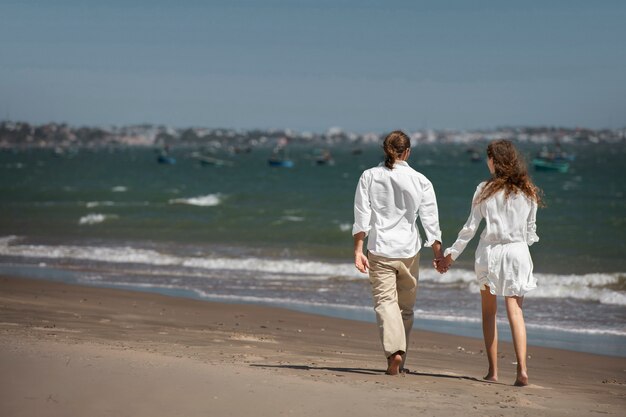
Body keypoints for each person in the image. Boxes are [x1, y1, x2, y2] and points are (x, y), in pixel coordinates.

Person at [438, 139, 542, 386]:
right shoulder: (527, 190)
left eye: (488, 158)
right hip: (518, 253)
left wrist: (449, 256)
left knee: (489, 313)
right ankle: (522, 371)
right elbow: (530, 232)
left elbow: (470, 229)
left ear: (493, 160)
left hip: (490, 254)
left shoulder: (484, 189)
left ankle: (493, 371)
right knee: (516, 312)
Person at [352, 130, 443, 375]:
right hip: (409, 250)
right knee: (405, 308)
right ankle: (398, 356)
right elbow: (430, 223)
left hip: (380, 249)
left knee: (385, 303)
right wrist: (438, 255)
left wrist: (358, 250)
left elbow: (362, 216)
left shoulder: (369, 176)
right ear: (408, 152)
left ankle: (395, 353)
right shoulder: (421, 180)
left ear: (385, 150)